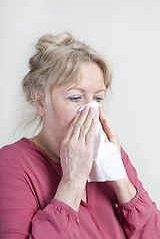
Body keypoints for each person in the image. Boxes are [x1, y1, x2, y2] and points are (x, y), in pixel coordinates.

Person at [0, 32, 159, 239]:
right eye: (76, 97)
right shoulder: (12, 164)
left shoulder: (111, 154)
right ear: (40, 101)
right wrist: (72, 183)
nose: (91, 110)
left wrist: (120, 179)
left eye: (98, 98)